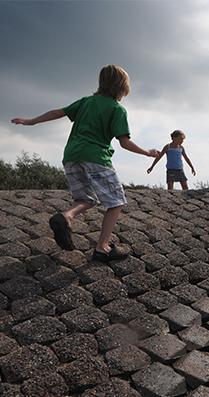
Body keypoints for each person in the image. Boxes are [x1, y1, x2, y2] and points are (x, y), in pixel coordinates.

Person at [11, 64, 160, 262]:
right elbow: (124, 143)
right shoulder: (117, 109)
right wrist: (147, 152)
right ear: (122, 87)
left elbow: (57, 112)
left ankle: (67, 216)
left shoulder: (86, 102)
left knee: (87, 198)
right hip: (96, 158)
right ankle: (102, 248)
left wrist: (31, 121)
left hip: (71, 156)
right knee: (116, 202)